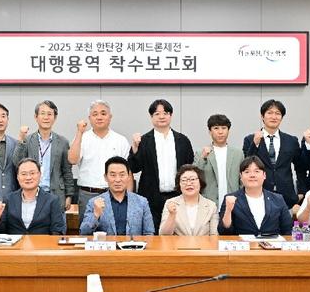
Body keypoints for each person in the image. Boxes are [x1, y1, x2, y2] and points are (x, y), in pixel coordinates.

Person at [128, 99, 194, 232]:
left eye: (165, 113)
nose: (162, 117)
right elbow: (134, 168)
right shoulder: (144, 141)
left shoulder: (182, 140)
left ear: (171, 115)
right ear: (151, 117)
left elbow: (189, 166)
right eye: (157, 114)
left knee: (177, 233)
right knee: (151, 233)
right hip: (151, 198)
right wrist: (135, 147)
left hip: (177, 196)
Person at [68, 99, 130, 217]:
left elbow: (129, 172)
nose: (99, 117)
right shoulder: (82, 138)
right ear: (89, 118)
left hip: (115, 194)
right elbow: (72, 160)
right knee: (87, 227)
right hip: (88, 194)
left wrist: (129, 197)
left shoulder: (120, 140)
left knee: (115, 228)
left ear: (110, 117)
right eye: (95, 114)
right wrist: (79, 132)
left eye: (103, 113)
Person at [243, 99, 306, 213]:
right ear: (262, 116)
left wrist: (301, 191)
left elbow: (300, 167)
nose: (274, 117)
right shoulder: (250, 139)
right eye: (270, 113)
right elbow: (246, 166)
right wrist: (255, 144)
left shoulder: (291, 140)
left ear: (282, 117)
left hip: (287, 196)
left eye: (278, 113)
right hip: (259, 193)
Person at [12, 100, 74, 213]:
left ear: (55, 118)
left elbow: (67, 171)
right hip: (31, 194)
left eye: (50, 114)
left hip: (56, 195)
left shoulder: (63, 142)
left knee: (57, 223)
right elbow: (17, 163)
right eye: (42, 113)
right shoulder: (27, 140)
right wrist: (21, 139)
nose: (46, 117)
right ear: (36, 117)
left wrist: (69, 195)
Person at [79, 156, 154, 236]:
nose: (118, 180)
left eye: (122, 175)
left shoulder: (142, 202)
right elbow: (83, 233)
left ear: (129, 177)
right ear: (105, 177)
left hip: (133, 244)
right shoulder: (94, 202)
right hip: (106, 244)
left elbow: (149, 233)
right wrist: (95, 215)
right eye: (113, 175)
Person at [218, 156, 292, 236]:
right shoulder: (231, 199)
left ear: (264, 175)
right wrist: (228, 210)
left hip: (272, 243)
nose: (252, 175)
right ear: (241, 177)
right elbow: (223, 232)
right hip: (243, 243)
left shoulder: (278, 199)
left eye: (257, 171)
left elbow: (288, 230)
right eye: (247, 172)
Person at [0, 158, 66, 235]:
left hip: (41, 242)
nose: (28, 177)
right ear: (17, 177)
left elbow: (58, 230)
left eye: (32, 173)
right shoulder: (9, 199)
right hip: (16, 242)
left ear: (40, 175)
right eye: (23, 174)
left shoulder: (52, 200)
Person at [193, 114, 244, 209]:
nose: (220, 132)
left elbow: (242, 180)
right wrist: (203, 158)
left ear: (228, 130)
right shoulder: (201, 153)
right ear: (210, 131)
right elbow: (194, 176)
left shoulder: (238, 154)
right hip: (208, 205)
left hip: (233, 204)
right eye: (216, 128)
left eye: (224, 128)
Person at [159, 164, 218, 236]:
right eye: (184, 180)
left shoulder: (211, 206)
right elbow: (163, 235)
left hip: (204, 243)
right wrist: (172, 215)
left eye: (192, 179)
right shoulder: (171, 203)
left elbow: (214, 235)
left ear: (200, 182)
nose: (189, 183)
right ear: (179, 184)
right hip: (178, 243)